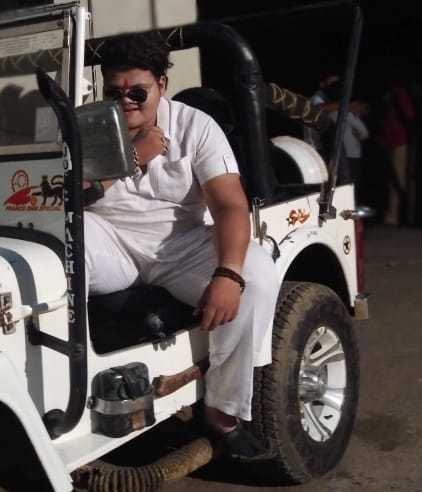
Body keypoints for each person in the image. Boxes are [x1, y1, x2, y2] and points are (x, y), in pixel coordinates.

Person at [85, 34, 280, 457]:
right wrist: (134, 156)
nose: (126, 102)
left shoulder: (195, 126)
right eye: (115, 93)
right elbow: (68, 196)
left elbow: (229, 205)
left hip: (181, 244)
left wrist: (228, 274)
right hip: (108, 237)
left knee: (257, 278)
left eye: (138, 93)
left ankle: (223, 411)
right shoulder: (91, 125)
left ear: (162, 85)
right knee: (55, 257)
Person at [378, 79, 416, 225]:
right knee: (395, 179)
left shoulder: (399, 93)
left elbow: (408, 117)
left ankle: (398, 215)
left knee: (398, 179)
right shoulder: (391, 94)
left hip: (400, 141)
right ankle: (397, 214)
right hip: (392, 140)